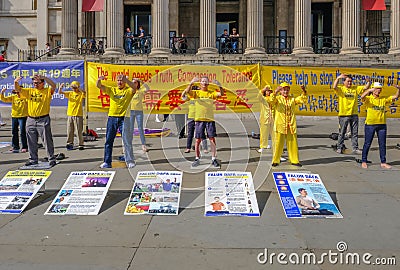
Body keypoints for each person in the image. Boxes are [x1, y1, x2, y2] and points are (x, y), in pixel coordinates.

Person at [96, 74, 139, 168]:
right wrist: (99, 80)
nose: (120, 82)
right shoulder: (112, 90)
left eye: (121, 80)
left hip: (124, 118)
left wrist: (127, 80)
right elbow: (99, 86)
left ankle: (130, 160)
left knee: (127, 141)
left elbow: (134, 88)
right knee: (108, 141)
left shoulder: (128, 90)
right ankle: (107, 162)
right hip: (112, 118)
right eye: (118, 80)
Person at [14, 74, 57, 167]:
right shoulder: (30, 91)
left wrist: (45, 78)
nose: (35, 85)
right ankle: (33, 159)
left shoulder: (47, 91)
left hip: (43, 119)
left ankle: (51, 158)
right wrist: (15, 82)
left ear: (42, 83)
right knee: (31, 141)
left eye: (37, 83)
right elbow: (18, 90)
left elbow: (54, 86)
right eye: (34, 83)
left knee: (47, 139)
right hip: (31, 119)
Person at [182, 76, 224, 168]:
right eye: (202, 81)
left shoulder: (211, 93)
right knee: (198, 140)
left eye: (206, 81)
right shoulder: (196, 93)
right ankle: (197, 158)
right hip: (199, 120)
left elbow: (221, 94)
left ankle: (213, 158)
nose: (204, 83)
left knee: (212, 139)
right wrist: (191, 82)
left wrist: (219, 86)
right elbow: (187, 91)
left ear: (208, 84)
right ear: (200, 83)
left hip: (209, 120)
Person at [266, 82, 307, 167]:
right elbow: (271, 101)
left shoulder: (292, 99)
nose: (286, 91)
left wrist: (304, 91)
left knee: (293, 143)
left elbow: (302, 99)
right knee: (278, 144)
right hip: (280, 125)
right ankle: (276, 160)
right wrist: (275, 92)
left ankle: (294, 160)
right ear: (281, 91)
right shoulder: (277, 99)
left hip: (290, 125)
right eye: (284, 89)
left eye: (287, 89)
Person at [360, 82, 400, 169]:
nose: (379, 90)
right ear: (373, 89)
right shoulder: (369, 99)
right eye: (377, 89)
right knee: (367, 143)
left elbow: (395, 97)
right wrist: (369, 90)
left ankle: (383, 162)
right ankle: (364, 160)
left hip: (382, 125)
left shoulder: (383, 99)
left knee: (382, 144)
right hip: (370, 124)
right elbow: (362, 97)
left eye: (380, 89)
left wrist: (398, 89)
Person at [333, 74, 371, 154]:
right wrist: (338, 78)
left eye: (351, 81)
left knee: (354, 133)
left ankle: (355, 148)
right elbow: (334, 87)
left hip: (354, 114)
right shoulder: (341, 89)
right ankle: (339, 147)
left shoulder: (355, 88)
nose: (350, 83)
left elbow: (365, 87)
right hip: (344, 114)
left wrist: (368, 82)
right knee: (342, 132)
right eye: (348, 81)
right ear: (344, 82)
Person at [122, 79, 149, 168]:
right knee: (130, 129)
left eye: (135, 82)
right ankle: (127, 148)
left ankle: (143, 145)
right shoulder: (129, 91)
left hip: (139, 112)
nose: (134, 83)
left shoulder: (140, 91)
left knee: (140, 128)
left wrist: (141, 81)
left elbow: (148, 88)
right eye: (132, 82)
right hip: (130, 112)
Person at [58, 81, 85, 151]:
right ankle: (70, 143)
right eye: (73, 87)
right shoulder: (70, 93)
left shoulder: (80, 93)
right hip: (70, 114)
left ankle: (81, 144)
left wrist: (78, 88)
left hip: (78, 114)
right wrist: (60, 88)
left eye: (75, 87)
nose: (74, 89)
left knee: (79, 131)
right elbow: (60, 92)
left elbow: (85, 93)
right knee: (70, 130)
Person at [0, 88, 28, 153]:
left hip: (23, 116)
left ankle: (24, 146)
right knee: (14, 131)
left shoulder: (25, 98)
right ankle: (15, 146)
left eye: (18, 92)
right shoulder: (13, 97)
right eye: (15, 92)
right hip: (14, 116)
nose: (17, 94)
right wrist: (2, 92)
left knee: (22, 132)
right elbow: (4, 99)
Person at [257, 84, 274, 153]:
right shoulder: (263, 99)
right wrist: (263, 89)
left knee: (274, 134)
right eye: (267, 91)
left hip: (273, 119)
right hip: (264, 118)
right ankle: (263, 146)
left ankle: (276, 147)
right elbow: (258, 96)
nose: (269, 92)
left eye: (270, 91)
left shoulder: (273, 99)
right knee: (264, 133)